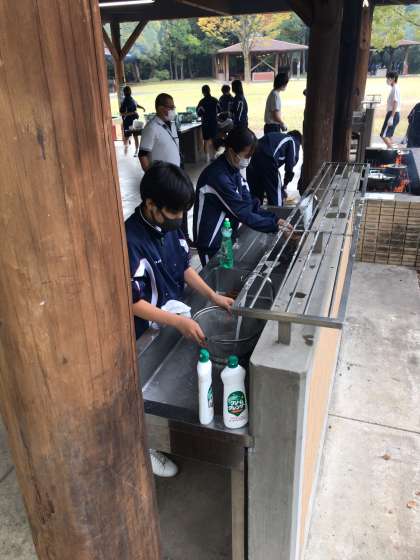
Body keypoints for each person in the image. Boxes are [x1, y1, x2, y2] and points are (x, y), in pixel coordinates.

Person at [126, 162, 233, 476]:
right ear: (151, 205)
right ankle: (144, 446)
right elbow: (132, 302)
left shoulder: (170, 226)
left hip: (171, 314)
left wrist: (212, 295)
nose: (179, 218)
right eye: (174, 212)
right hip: (144, 329)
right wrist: (177, 322)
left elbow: (184, 267)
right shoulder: (129, 241)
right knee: (140, 392)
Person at [193, 127, 293, 266]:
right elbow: (242, 213)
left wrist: (276, 220)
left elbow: (250, 203)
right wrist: (274, 226)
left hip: (225, 236)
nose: (248, 160)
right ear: (231, 151)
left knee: (227, 271)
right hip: (211, 242)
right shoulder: (217, 177)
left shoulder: (233, 171)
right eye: (246, 156)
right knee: (214, 277)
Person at [139, 93, 192, 244]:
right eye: (171, 107)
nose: (173, 110)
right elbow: (143, 155)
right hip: (163, 178)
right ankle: (172, 241)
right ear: (161, 108)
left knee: (181, 206)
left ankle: (185, 238)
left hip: (177, 173)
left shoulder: (171, 124)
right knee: (169, 211)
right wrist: (152, 177)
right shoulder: (151, 128)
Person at [247, 130, 302, 207]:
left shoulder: (277, 137)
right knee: (276, 194)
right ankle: (277, 212)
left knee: (256, 194)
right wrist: (285, 184)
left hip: (253, 161)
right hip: (268, 160)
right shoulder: (292, 140)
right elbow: (290, 165)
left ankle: (255, 211)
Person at [119, 85, 145, 156]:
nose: (129, 92)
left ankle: (136, 150)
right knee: (127, 136)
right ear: (125, 92)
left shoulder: (131, 99)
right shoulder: (124, 101)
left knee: (135, 135)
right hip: (128, 122)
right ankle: (126, 150)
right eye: (127, 91)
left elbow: (136, 104)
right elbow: (122, 113)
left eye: (129, 90)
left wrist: (142, 107)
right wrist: (132, 113)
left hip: (134, 121)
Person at [197, 85, 219, 162]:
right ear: (209, 91)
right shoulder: (215, 100)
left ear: (203, 92)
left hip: (205, 123)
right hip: (214, 122)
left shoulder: (201, 102)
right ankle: (214, 156)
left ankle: (207, 158)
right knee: (214, 139)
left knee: (206, 140)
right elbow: (219, 110)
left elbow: (198, 113)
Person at [380, 71, 401, 149]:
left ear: (393, 79)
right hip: (393, 114)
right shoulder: (394, 88)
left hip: (393, 114)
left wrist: (391, 117)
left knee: (383, 135)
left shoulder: (395, 88)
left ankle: (393, 151)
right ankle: (393, 151)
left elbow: (396, 102)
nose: (387, 80)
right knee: (389, 136)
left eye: (388, 78)